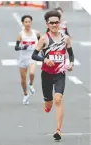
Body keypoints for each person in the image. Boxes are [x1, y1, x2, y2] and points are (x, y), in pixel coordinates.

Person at [32, 10, 74, 140]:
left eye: (56, 22)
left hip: (60, 73)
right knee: (49, 103)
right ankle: (47, 103)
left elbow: (71, 54)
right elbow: (34, 55)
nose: (54, 25)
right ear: (47, 24)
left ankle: (58, 130)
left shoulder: (65, 38)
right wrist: (44, 60)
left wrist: (71, 63)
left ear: (59, 23)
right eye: (52, 23)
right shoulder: (44, 39)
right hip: (47, 74)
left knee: (58, 99)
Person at [15, 15, 41, 105]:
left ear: (31, 22)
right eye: (26, 22)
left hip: (32, 57)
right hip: (23, 58)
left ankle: (31, 84)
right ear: (23, 23)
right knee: (23, 79)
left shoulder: (36, 33)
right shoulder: (20, 34)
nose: (28, 23)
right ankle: (25, 94)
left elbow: (42, 43)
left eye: (29, 22)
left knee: (32, 73)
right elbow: (16, 47)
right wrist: (22, 47)